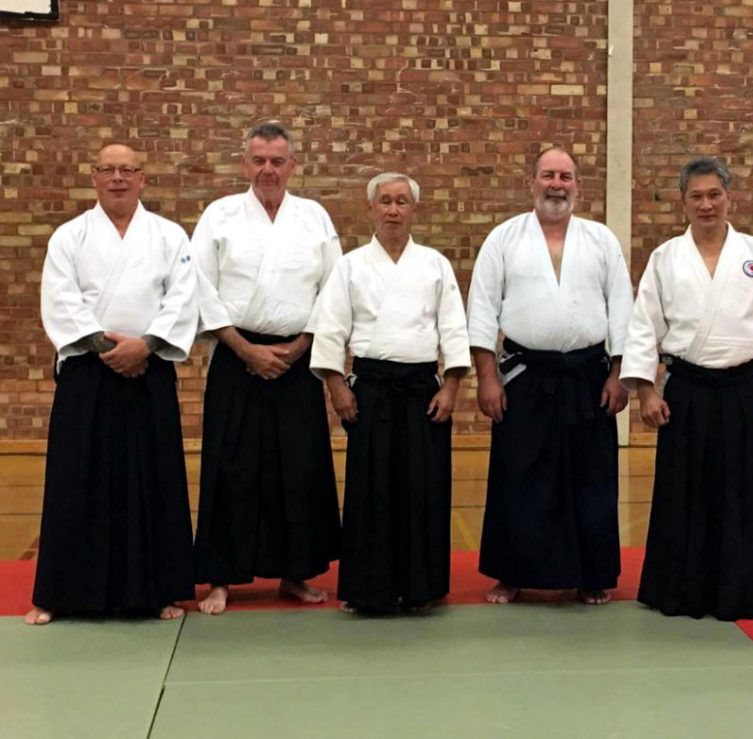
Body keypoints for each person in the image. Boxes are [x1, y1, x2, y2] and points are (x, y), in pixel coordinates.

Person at [620, 157, 753, 621]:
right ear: (683, 203)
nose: (706, 205)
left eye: (714, 195)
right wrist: (646, 390)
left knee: (745, 492)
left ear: (729, 198)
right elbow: (644, 327)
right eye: (696, 197)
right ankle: (679, 590)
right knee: (682, 493)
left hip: (744, 389)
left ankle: (746, 590)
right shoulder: (666, 257)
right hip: (686, 389)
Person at [27, 143, 198, 625]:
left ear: (142, 178)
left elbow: (183, 298)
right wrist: (109, 349)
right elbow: (60, 299)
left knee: (153, 478)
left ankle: (159, 590)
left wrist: (146, 345)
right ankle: (60, 594)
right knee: (76, 478)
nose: (117, 178)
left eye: (127, 170)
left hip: (149, 367)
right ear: (94, 178)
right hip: (88, 370)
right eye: (108, 170)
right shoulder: (70, 236)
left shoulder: (168, 235)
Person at [467, 146, 633, 605]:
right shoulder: (504, 238)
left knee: (591, 479)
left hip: (588, 377)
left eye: (565, 176)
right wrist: (487, 377)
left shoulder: (601, 240)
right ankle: (512, 573)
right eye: (548, 175)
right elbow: (481, 310)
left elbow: (622, 308)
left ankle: (591, 574)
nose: (556, 184)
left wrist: (619, 373)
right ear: (532, 183)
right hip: (524, 376)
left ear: (577, 185)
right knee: (519, 475)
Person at [191, 123, 341, 615]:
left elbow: (334, 288)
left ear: (293, 165)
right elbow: (199, 286)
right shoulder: (220, 215)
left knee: (299, 466)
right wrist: (243, 348)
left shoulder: (314, 217)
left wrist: (300, 346)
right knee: (230, 466)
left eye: (277, 161)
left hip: (297, 357)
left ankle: (295, 572)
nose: (268, 170)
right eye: (259, 160)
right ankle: (221, 578)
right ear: (244, 164)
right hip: (236, 354)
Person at [310, 173, 470, 614]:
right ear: (371, 209)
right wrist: (337, 386)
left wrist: (451, 385)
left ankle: (422, 587)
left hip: (422, 390)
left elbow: (453, 328)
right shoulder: (350, 266)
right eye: (385, 201)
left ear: (414, 210)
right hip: (371, 390)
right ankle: (369, 589)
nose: (393, 210)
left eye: (402, 202)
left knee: (423, 489)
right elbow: (331, 328)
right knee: (371, 490)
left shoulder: (435, 264)